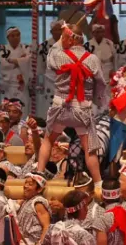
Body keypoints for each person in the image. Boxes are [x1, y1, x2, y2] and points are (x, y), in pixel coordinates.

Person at [37, 22, 107, 188]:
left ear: (70, 39)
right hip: (82, 108)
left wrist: (63, 38)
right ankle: (98, 183)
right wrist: (96, 101)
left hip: (61, 106)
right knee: (89, 148)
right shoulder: (92, 59)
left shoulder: (59, 55)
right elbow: (101, 84)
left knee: (48, 141)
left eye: (63, 37)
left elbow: (50, 56)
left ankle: (38, 174)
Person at [0, 26, 32, 110]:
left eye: (18, 35)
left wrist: (12, 61)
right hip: (9, 86)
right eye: (13, 36)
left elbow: (28, 60)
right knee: (8, 110)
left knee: (23, 110)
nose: (16, 38)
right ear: (8, 38)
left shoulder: (26, 48)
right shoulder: (4, 50)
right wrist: (20, 61)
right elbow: (3, 64)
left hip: (22, 86)